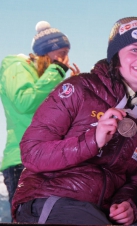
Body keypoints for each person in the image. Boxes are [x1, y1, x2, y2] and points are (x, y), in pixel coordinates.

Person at [11, 16, 137, 225]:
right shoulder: (79, 89)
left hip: (98, 211)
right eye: (134, 50)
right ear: (115, 57)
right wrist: (92, 139)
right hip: (51, 198)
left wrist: (127, 204)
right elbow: (31, 153)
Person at [0, 21, 79, 209]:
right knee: (25, 215)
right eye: (61, 54)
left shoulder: (48, 79)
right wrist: (57, 72)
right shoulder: (17, 66)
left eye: (66, 54)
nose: (65, 60)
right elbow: (24, 101)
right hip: (22, 160)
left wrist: (75, 87)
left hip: (48, 158)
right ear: (45, 52)